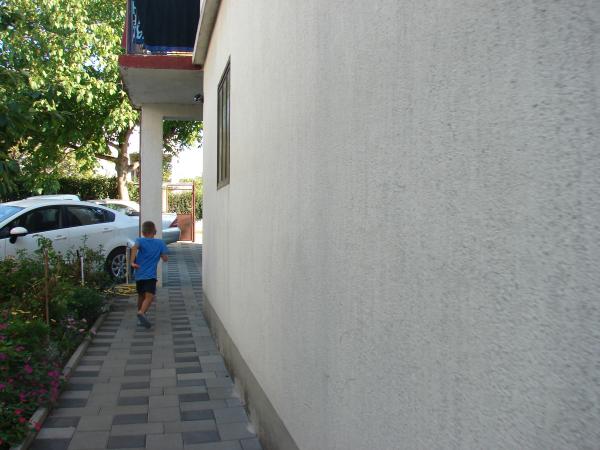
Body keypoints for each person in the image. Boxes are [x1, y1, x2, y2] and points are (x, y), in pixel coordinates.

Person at [130, 221, 168, 328]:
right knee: (149, 296)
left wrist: (132, 262)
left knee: (141, 296)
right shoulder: (160, 243)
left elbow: (134, 248)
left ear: (143, 232)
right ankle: (141, 313)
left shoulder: (139, 240)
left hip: (139, 275)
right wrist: (163, 255)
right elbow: (165, 258)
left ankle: (141, 314)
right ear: (154, 231)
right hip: (150, 276)